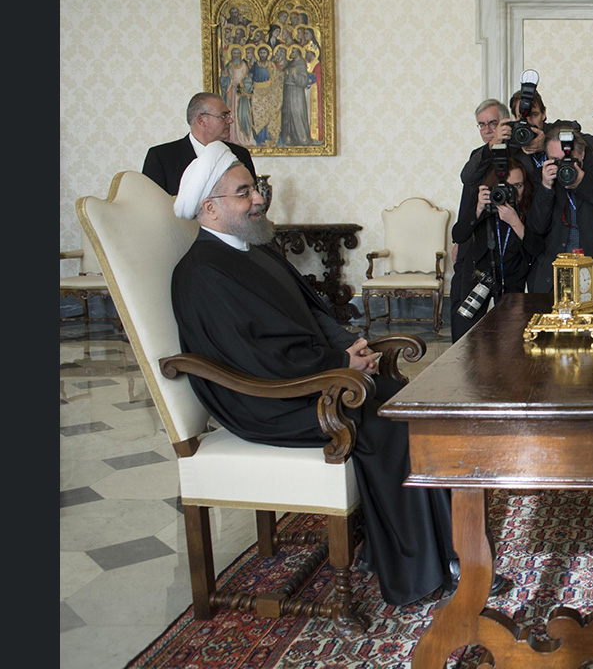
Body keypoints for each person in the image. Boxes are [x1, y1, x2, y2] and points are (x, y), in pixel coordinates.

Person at [169, 141, 456, 607]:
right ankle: (418, 570)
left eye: (255, 188)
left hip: (303, 378)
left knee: (407, 404)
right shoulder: (202, 272)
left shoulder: (255, 248)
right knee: (388, 424)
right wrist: (339, 367)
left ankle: (435, 550)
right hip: (266, 400)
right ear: (210, 208)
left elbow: (311, 311)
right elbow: (253, 358)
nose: (258, 199)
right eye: (245, 193)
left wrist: (349, 345)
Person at [526, 121, 593, 296]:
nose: (563, 166)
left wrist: (583, 183)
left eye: (567, 159)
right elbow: (536, 227)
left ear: (583, 153)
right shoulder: (542, 176)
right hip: (555, 275)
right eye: (555, 160)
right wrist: (546, 188)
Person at [449, 156, 541, 341]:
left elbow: (537, 248)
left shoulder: (528, 209)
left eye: (518, 186)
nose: (512, 192)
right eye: (506, 186)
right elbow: (458, 235)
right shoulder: (485, 205)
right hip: (478, 274)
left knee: (511, 338)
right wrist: (478, 209)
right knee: (466, 335)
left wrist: (515, 221)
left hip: (512, 276)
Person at [142, 92, 257, 197]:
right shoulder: (161, 157)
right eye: (223, 116)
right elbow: (152, 206)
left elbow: (252, 199)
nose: (230, 121)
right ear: (201, 120)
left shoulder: (240, 155)